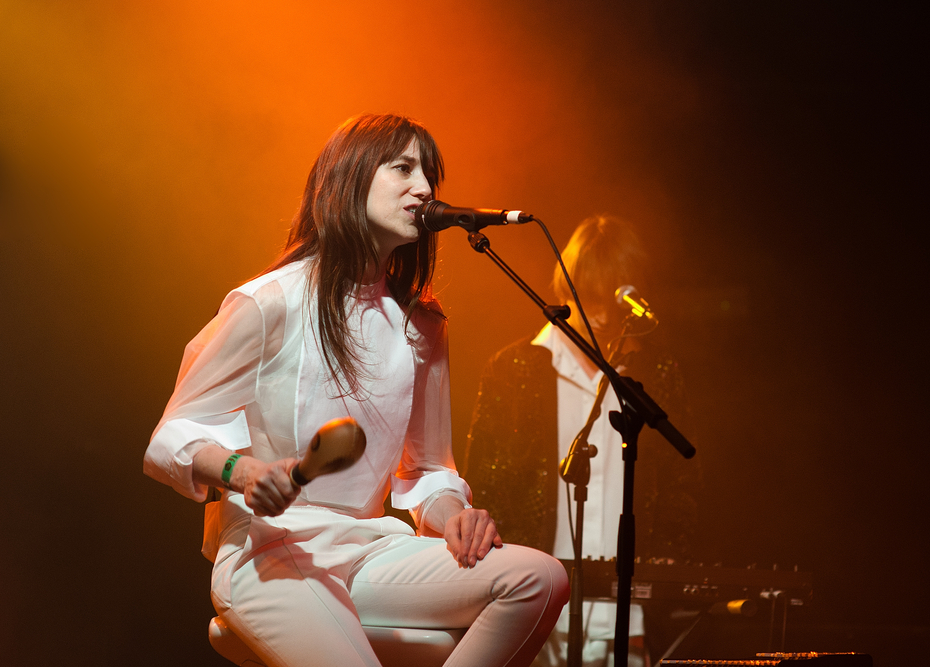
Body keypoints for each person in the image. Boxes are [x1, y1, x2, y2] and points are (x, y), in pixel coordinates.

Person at [143, 113, 569, 667]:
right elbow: (169, 437)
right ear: (350, 177)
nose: (424, 189)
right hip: (273, 550)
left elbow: (425, 473)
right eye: (403, 169)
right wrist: (240, 471)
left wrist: (453, 514)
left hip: (371, 548)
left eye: (429, 176)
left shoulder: (424, 325)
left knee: (539, 578)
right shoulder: (267, 302)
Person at [462, 216, 701, 667]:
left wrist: (665, 568)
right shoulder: (513, 370)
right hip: (532, 604)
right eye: (593, 298)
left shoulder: (653, 373)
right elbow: (484, 485)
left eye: (614, 297)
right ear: (568, 289)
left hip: (629, 617)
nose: (607, 316)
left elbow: (680, 484)